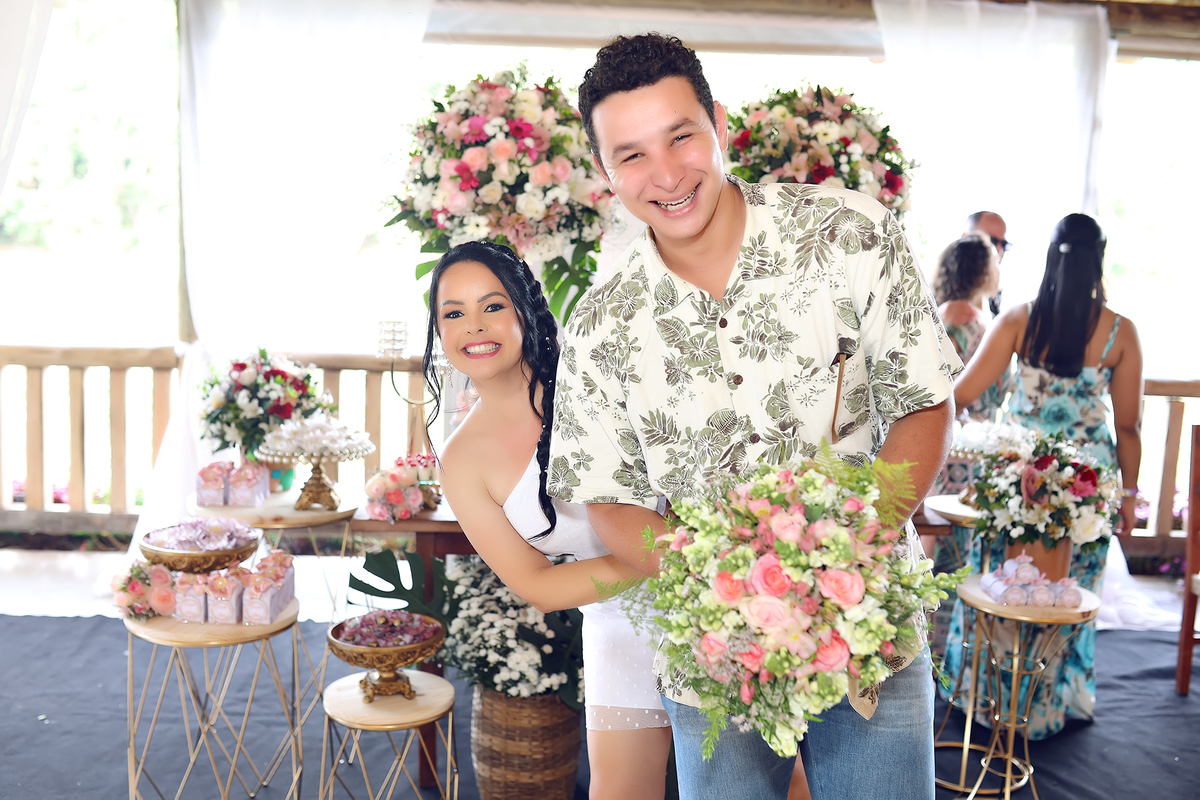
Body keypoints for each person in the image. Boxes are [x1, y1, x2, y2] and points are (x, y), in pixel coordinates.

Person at [548, 33, 963, 800]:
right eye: (632, 155)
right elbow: (609, 498)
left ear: (718, 124)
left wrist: (841, 564)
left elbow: (922, 401)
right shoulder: (600, 323)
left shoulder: (851, 233)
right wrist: (726, 589)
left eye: (681, 136)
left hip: (870, 627)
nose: (667, 174)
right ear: (605, 171)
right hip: (715, 651)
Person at [423, 240, 672, 799]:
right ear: (439, 332)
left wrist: (696, 560)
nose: (474, 326)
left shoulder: (594, 379)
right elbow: (537, 584)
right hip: (622, 619)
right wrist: (668, 559)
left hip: (715, 588)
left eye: (492, 305)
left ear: (524, 309)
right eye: (453, 314)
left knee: (769, 781)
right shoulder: (462, 462)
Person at [948, 212, 1143, 738]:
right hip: (1084, 488)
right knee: (1066, 589)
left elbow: (962, 394)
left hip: (1020, 481)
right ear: (1099, 259)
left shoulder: (1019, 320)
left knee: (1002, 582)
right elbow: (1128, 426)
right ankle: (1051, 706)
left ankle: (983, 698)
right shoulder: (1121, 333)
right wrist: (1128, 494)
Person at [965, 210, 1010, 316]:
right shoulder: (933, 295)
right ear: (965, 237)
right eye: (991, 240)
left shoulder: (998, 293)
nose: (998, 250)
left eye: (1003, 244)